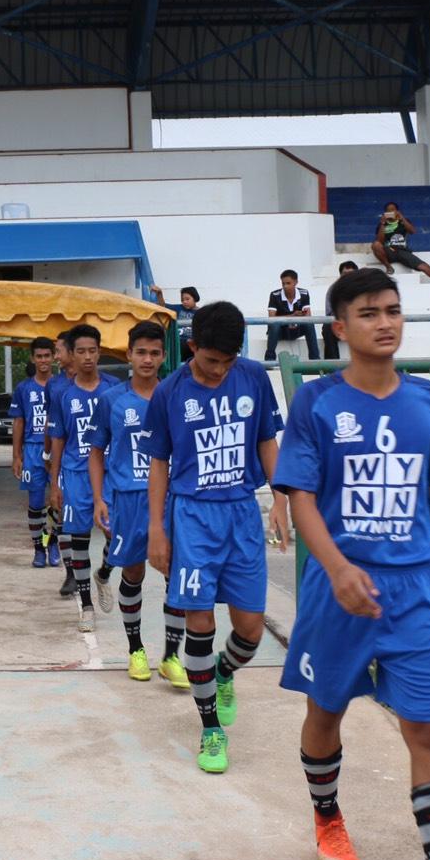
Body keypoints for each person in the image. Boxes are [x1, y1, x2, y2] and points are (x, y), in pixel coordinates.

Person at [272, 268, 430, 860]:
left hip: (415, 589)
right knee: (325, 713)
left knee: (428, 732)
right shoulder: (317, 402)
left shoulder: (428, 400)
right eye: (368, 313)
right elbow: (301, 497)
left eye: (392, 310)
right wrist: (336, 568)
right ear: (339, 327)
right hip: (340, 587)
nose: (385, 322)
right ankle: (327, 815)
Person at [145, 302, 286, 773]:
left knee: (250, 629)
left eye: (228, 360)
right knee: (200, 623)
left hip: (242, 514)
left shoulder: (253, 378)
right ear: (192, 347)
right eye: (211, 361)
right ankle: (210, 730)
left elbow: (266, 440)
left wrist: (281, 498)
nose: (220, 369)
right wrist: (157, 529)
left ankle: (224, 673)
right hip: (192, 517)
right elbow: (159, 463)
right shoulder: (170, 392)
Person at [86, 321, 167, 682]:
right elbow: (96, 451)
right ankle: (136, 650)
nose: (147, 359)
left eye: (154, 353)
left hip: (169, 498)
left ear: (163, 357)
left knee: (174, 572)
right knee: (134, 572)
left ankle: (173, 654)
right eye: (141, 352)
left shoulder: (174, 396)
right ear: (129, 355)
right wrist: (99, 499)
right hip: (128, 498)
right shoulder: (111, 400)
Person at [48, 324, 121, 632]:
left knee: (116, 535)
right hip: (75, 473)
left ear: (100, 353)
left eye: (93, 351)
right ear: (72, 355)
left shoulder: (115, 389)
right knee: (78, 538)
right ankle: (87, 607)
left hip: (111, 473)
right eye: (81, 351)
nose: (88, 357)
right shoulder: (62, 394)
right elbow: (58, 439)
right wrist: (54, 482)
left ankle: (103, 574)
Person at [10, 337, 57, 569]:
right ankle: (39, 549)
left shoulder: (63, 386)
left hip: (58, 450)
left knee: (59, 501)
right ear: (32, 358)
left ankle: (54, 544)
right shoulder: (23, 388)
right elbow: (18, 422)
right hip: (32, 450)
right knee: (36, 503)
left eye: (47, 355)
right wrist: (16, 456)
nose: (43, 360)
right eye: (39, 356)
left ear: (54, 357)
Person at [373, 204, 430, 284]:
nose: (390, 212)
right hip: (388, 251)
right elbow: (379, 240)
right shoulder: (382, 224)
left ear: (397, 211)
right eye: (388, 211)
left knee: (424, 266)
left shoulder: (403, 221)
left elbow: (412, 231)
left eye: (393, 210)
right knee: (376, 245)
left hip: (402, 251)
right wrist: (383, 223)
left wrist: (402, 218)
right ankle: (389, 267)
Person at [265, 269, 322, 361]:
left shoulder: (304, 293)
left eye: (288, 283)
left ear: (296, 282)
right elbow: (271, 318)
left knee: (309, 324)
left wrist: (299, 318)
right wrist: (293, 316)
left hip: (297, 328)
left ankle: (315, 359)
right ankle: (269, 359)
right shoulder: (275, 295)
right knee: (275, 325)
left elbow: (308, 316)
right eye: (283, 283)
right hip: (281, 330)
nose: (285, 286)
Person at [324, 261, 359, 357]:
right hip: (341, 323)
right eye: (344, 274)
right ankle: (333, 364)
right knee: (327, 327)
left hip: (357, 323)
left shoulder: (363, 289)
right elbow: (329, 312)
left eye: (350, 274)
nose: (347, 277)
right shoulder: (333, 289)